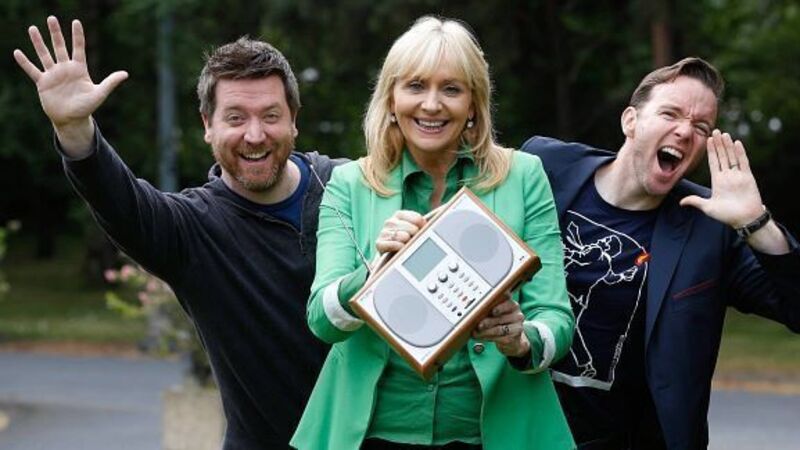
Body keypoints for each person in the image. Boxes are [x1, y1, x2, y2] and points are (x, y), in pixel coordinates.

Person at [14, 16, 344, 448]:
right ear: (207, 124)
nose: (255, 134)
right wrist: (75, 130)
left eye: (270, 116)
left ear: (294, 120)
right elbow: (120, 202)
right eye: (235, 117)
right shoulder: (192, 230)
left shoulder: (348, 188)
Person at [290, 16, 575, 450]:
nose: (432, 104)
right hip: (370, 435)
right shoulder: (350, 184)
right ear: (391, 98)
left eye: (452, 89)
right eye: (416, 86)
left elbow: (556, 319)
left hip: (498, 433)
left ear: (474, 104)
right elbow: (321, 320)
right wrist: (373, 274)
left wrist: (521, 341)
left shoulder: (522, 177)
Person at [521, 57, 800, 449]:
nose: (685, 131)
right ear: (630, 121)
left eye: (701, 127)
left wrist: (757, 223)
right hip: (517, 426)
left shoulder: (710, 231)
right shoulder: (546, 167)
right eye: (670, 113)